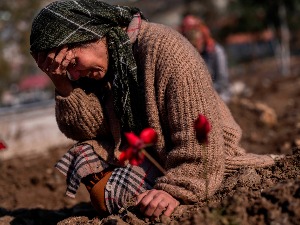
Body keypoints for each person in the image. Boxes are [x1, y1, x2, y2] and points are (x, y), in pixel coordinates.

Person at [30, 0, 276, 219]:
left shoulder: (166, 50)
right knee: (84, 154)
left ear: (92, 34)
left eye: (73, 63)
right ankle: (145, 196)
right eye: (66, 70)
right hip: (155, 157)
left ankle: (169, 196)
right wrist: (61, 83)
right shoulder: (107, 65)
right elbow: (89, 129)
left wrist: (176, 191)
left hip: (205, 163)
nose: (74, 73)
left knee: (121, 199)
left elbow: (202, 139)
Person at [180, 15, 231, 102]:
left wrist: (201, 90)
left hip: (219, 97)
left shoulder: (216, 52)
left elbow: (222, 82)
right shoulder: (187, 55)